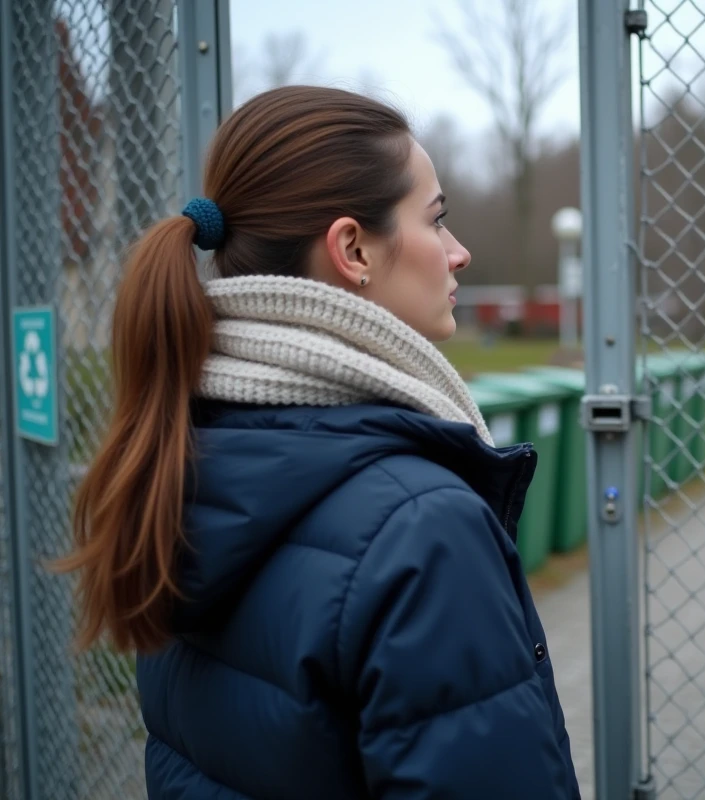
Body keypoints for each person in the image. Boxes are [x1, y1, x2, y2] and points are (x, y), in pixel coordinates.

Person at [56, 85, 581, 799]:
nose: (458, 253)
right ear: (353, 249)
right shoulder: (425, 528)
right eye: (436, 220)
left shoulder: (179, 462)